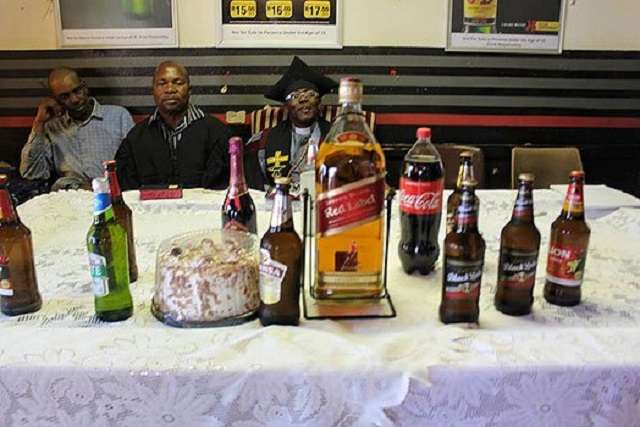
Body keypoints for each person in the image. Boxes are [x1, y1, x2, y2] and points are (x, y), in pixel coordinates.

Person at [115, 61, 231, 190]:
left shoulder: (218, 133)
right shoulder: (135, 138)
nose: (170, 89)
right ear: (153, 91)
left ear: (189, 90)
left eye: (178, 83)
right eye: (162, 83)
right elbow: (126, 190)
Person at [20, 67, 134, 191]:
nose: (74, 99)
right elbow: (32, 173)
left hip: (110, 191)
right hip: (69, 195)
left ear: (85, 87)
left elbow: (136, 164)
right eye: (65, 96)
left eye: (77, 91)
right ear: (56, 100)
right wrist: (39, 123)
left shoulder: (118, 116)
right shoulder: (52, 127)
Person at [245, 56, 338, 192]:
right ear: (286, 106)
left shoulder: (338, 137)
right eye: (294, 96)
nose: (303, 100)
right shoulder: (263, 140)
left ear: (319, 102)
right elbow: (254, 186)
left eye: (310, 94)